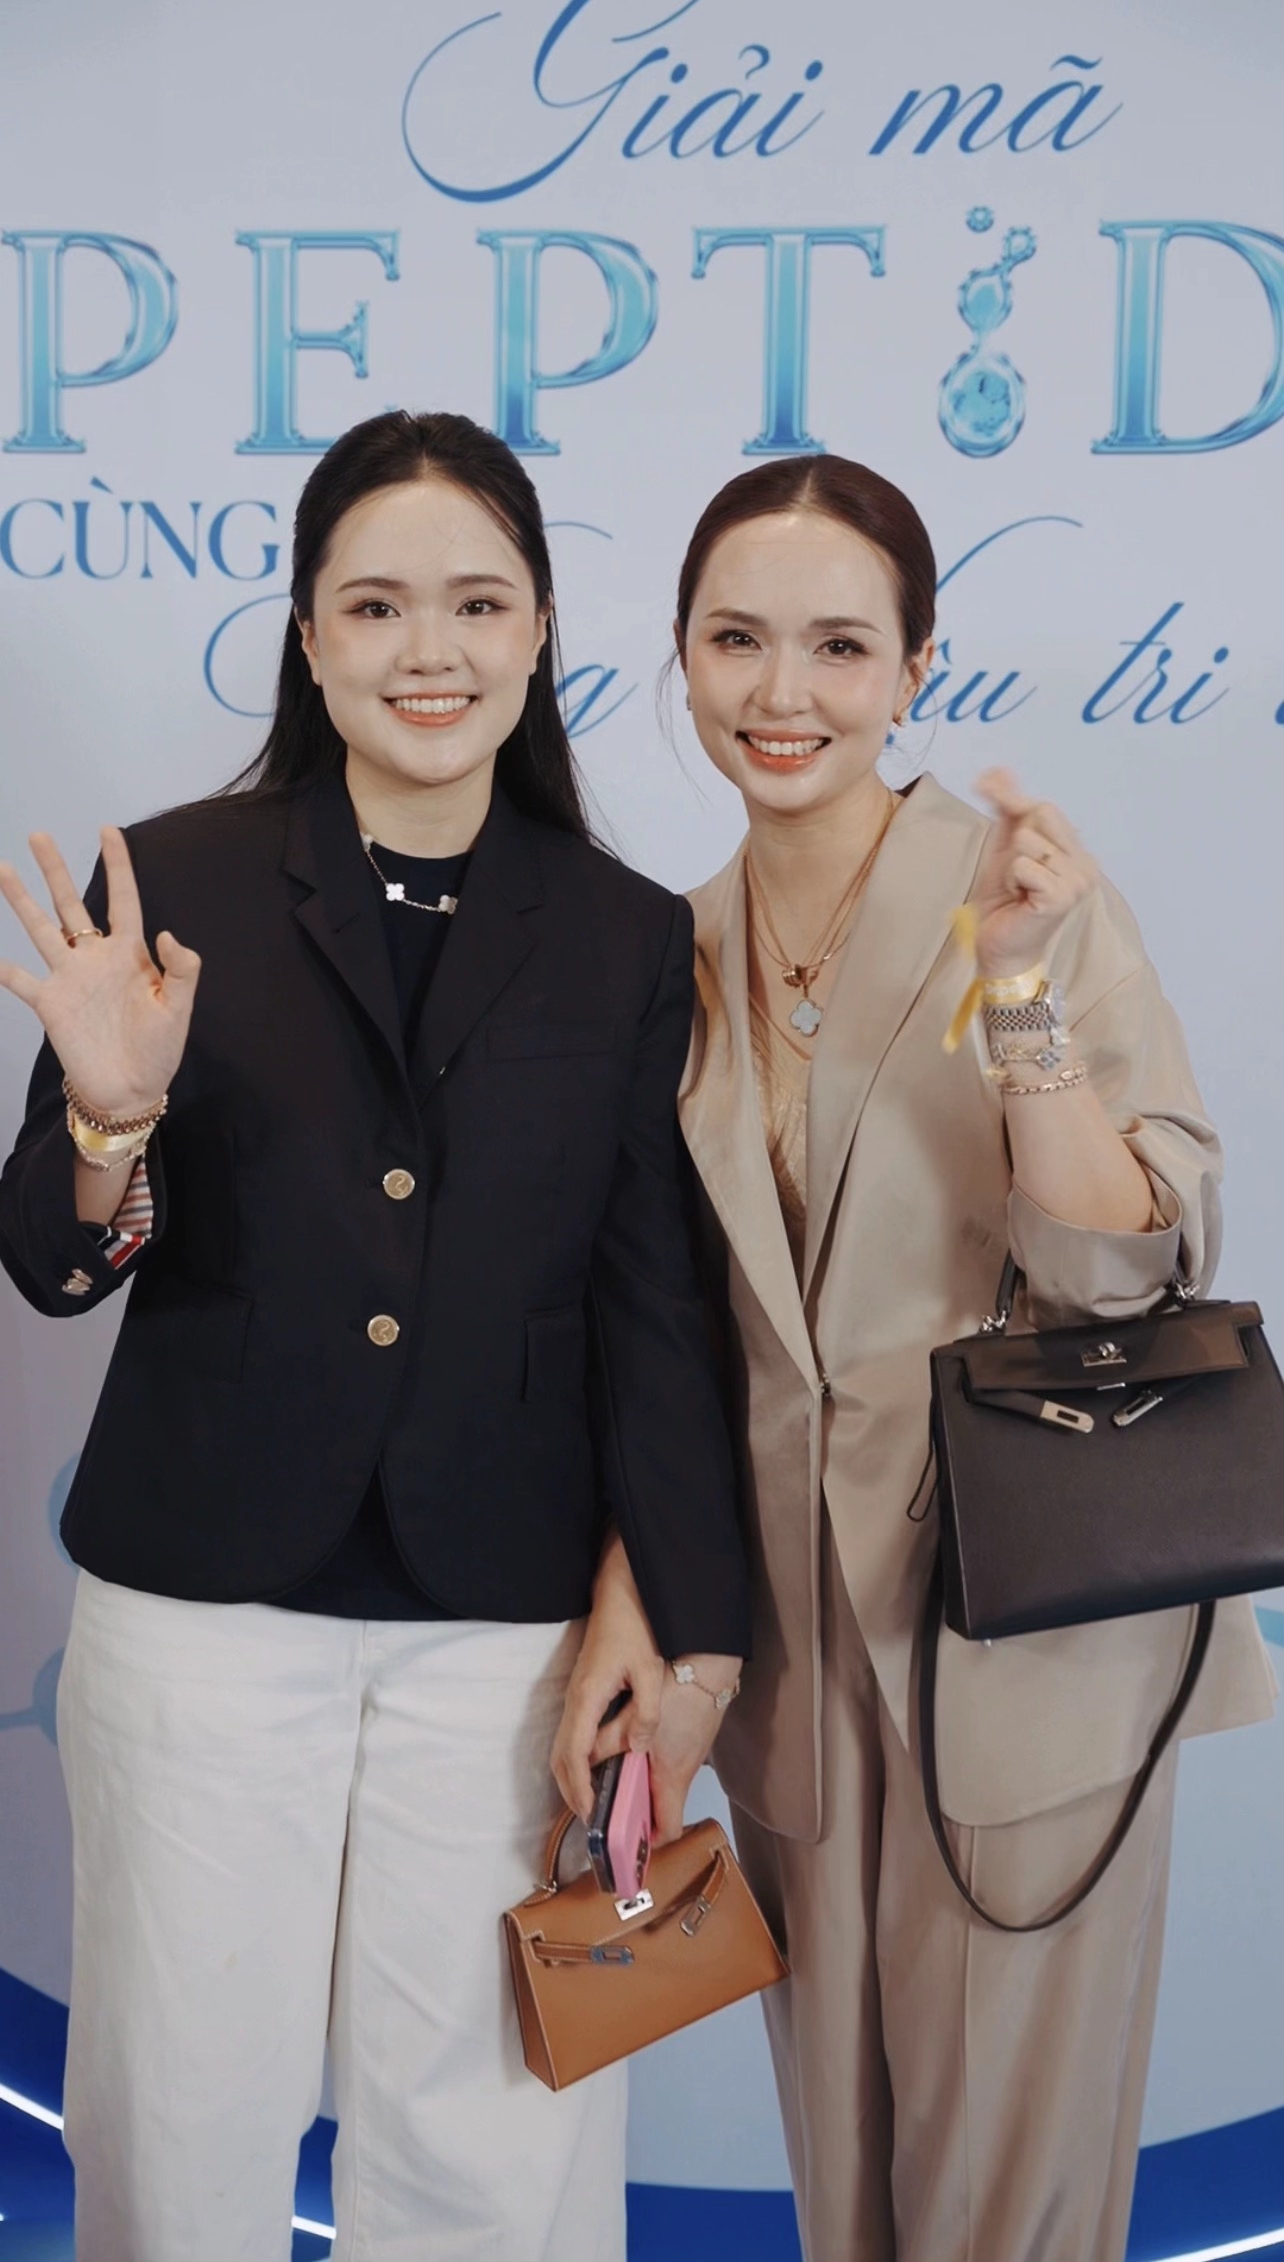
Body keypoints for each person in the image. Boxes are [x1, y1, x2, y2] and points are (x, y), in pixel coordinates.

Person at [0, 409, 749, 2262]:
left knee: (496, 2150)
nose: (434, 650)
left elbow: (655, 1302)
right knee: (179, 2123)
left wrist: (687, 1616)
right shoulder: (164, 883)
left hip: (505, 1626)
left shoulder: (625, 933)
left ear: (542, 629)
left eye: (479, 603)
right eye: (379, 604)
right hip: (201, 1608)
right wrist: (107, 1118)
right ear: (310, 635)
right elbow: (51, 1265)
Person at [664, 454, 1276, 2262]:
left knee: (1008, 2208)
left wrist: (1015, 995)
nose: (784, 691)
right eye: (738, 639)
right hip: (788, 1663)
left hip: (1023, 1639)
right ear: (679, 654)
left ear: (917, 665)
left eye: (841, 646)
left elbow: (1129, 1261)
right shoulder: (669, 947)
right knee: (846, 2197)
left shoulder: (1022, 897)